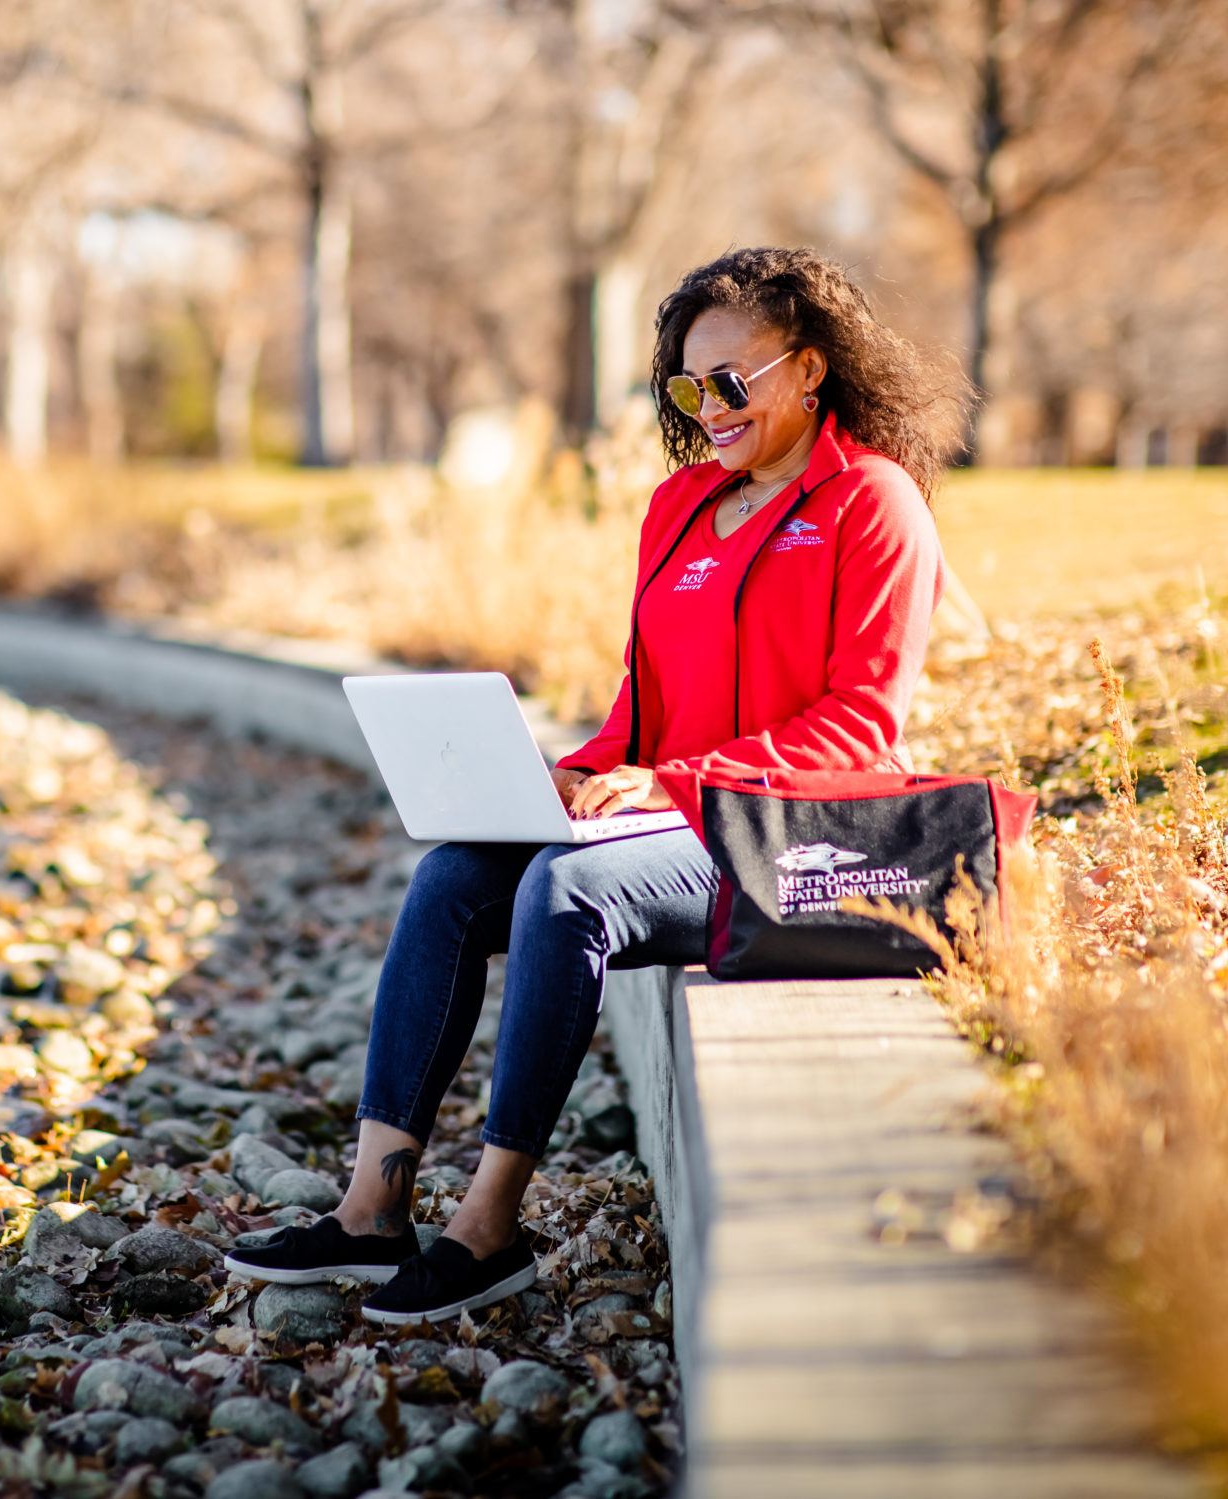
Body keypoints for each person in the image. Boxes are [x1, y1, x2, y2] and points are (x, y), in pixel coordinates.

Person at [226, 246, 972, 1323]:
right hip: (682, 813)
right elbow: (640, 703)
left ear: (809, 370)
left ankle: (487, 1227)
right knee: (452, 880)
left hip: (799, 838)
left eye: (732, 382)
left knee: (569, 893)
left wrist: (668, 786)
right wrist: (577, 775)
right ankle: (368, 1211)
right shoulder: (676, 507)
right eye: (685, 385)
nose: (705, 407)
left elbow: (858, 726)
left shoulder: (872, 502)